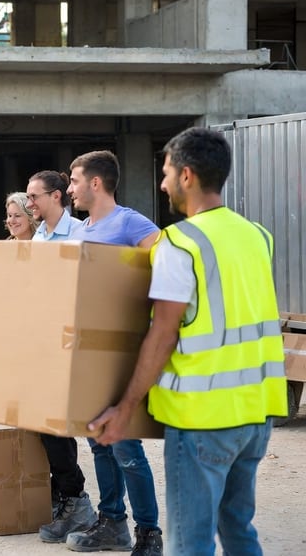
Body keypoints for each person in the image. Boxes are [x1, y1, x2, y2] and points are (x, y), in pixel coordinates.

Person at [88, 127, 286, 555]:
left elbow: (163, 333)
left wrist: (125, 409)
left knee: (189, 544)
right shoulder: (257, 235)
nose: (162, 183)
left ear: (188, 176)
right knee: (238, 529)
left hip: (203, 420)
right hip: (257, 412)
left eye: (166, 172)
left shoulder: (179, 243)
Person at [58, 150, 164, 555]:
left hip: (121, 353)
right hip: (86, 354)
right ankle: (112, 522)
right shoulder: (81, 229)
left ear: (95, 183)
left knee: (125, 444)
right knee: (98, 441)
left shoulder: (129, 222)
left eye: (73, 180)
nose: (70, 188)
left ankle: (148, 532)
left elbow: (166, 263)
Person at [24, 169, 96, 537]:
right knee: (44, 423)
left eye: (34, 196)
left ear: (56, 197)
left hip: (70, 345)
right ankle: (64, 495)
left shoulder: (81, 234)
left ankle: (75, 499)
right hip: (42, 342)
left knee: (58, 425)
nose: (29, 203)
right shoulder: (39, 235)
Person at [26, 170, 82, 241]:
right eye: (28, 198)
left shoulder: (80, 232)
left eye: (34, 196)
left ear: (56, 196)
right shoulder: (37, 236)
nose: (28, 205)